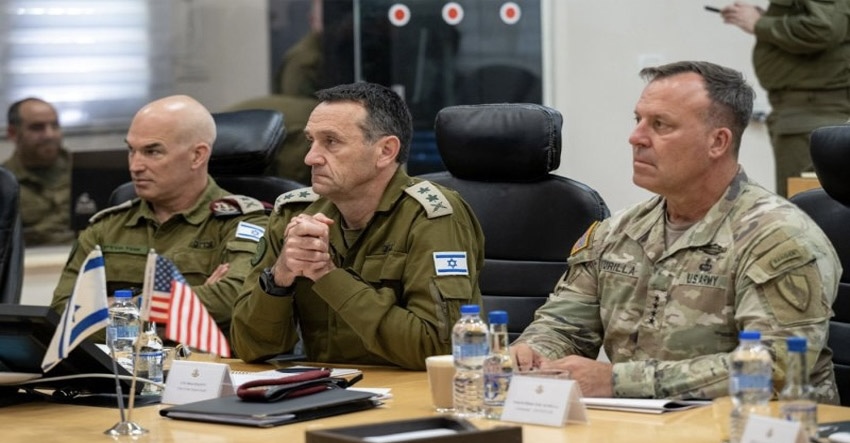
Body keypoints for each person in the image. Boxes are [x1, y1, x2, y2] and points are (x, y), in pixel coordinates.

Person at [511, 61, 841, 404]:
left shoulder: (777, 237)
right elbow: (564, 326)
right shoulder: (618, 232)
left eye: (660, 125)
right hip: (641, 424)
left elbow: (773, 367)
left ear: (717, 142)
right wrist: (533, 353)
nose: (636, 137)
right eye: (638, 120)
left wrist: (617, 381)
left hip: (759, 425)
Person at [230, 82, 485, 370]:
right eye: (311, 141)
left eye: (331, 141)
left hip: (408, 391)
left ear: (385, 151)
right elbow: (248, 347)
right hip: (321, 389)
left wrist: (327, 275)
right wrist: (280, 277)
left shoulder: (431, 216)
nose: (310, 157)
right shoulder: (294, 214)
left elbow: (439, 349)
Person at [50, 95, 268, 337]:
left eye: (152, 151)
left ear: (197, 156)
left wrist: (114, 307)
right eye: (131, 150)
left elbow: (234, 299)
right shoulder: (107, 227)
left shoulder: (242, 222)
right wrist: (183, 310)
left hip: (203, 361)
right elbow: (62, 314)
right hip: (116, 361)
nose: (135, 166)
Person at [717, 1, 850, 197]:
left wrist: (761, 24)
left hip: (811, 113)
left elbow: (825, 28)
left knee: (804, 204)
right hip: (804, 111)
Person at [3, 97, 74, 246]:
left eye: (54, 126)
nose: (50, 135)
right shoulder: (4, 183)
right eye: (37, 128)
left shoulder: (87, 170)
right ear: (13, 133)